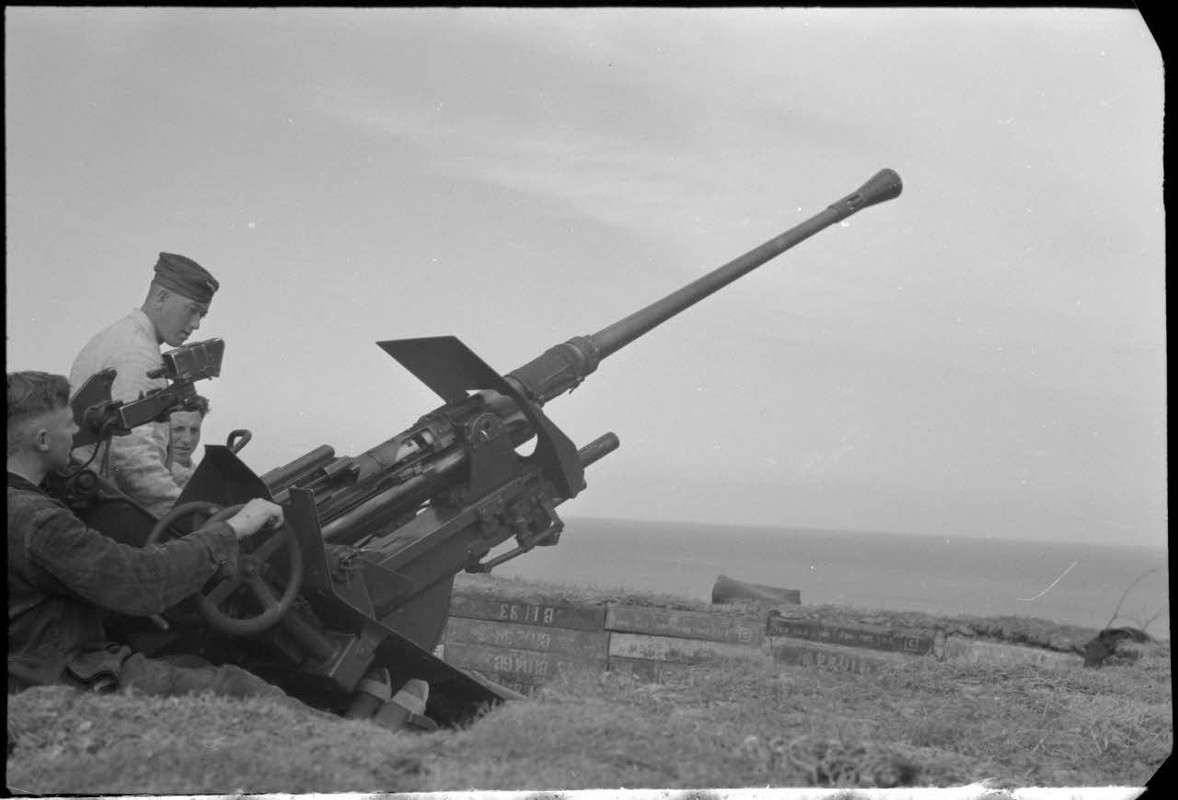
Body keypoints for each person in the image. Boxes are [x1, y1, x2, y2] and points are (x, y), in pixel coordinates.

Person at [7, 370, 294, 703]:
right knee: (241, 690)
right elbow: (139, 582)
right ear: (42, 441)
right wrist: (235, 527)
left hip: (37, 662)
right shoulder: (37, 519)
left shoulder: (27, 505)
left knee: (193, 662)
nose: (75, 432)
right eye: (69, 424)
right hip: (52, 682)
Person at [70, 252, 219, 517]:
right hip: (101, 508)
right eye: (192, 310)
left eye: (202, 315)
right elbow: (133, 459)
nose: (195, 324)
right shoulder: (137, 354)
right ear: (161, 298)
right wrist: (188, 518)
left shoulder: (122, 336)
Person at [168, 395, 208, 489]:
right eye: (178, 429)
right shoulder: (141, 476)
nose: (187, 440)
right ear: (162, 431)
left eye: (194, 430)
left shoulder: (206, 477)